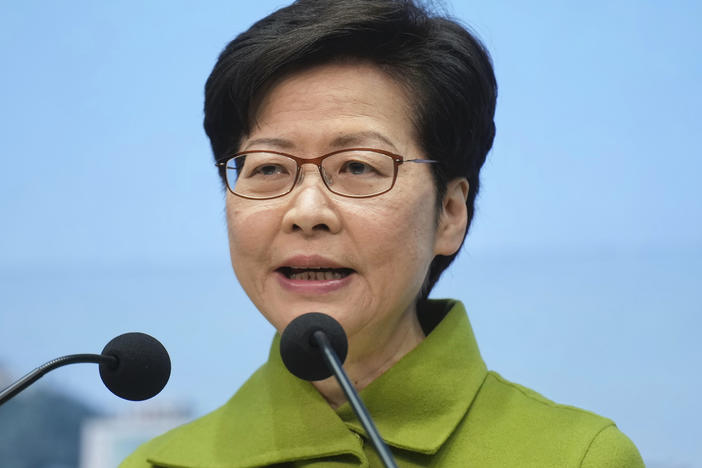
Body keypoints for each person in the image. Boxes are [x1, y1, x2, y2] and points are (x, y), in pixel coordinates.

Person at [121, 0, 644, 466]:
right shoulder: (160, 465)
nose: (306, 211)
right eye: (268, 168)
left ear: (449, 213)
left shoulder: (576, 456)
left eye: (358, 166)